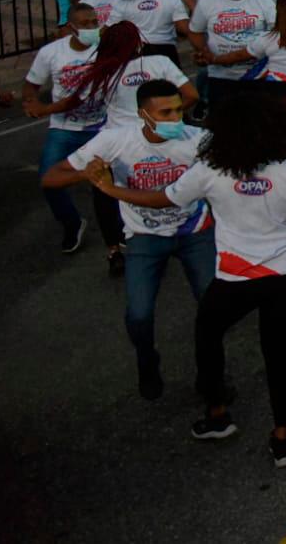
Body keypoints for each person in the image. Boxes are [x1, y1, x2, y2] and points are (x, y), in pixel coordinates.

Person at [88, 90, 286, 468]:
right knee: (277, 350)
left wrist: (108, 188)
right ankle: (283, 436)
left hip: (234, 276)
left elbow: (163, 199)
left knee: (208, 333)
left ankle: (217, 413)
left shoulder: (209, 171)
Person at [42, 80, 211, 399]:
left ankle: (213, 376)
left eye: (179, 110)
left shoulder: (200, 140)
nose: (176, 118)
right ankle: (147, 361)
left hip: (194, 231)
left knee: (212, 309)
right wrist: (88, 173)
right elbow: (51, 177)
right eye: (166, 112)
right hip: (144, 237)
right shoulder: (113, 141)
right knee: (139, 314)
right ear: (142, 115)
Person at [25, 3, 120, 265]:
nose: (92, 28)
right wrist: (31, 103)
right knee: (49, 178)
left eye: (94, 22)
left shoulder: (107, 50)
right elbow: (31, 85)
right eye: (85, 24)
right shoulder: (51, 53)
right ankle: (72, 222)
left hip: (102, 126)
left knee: (112, 180)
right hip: (64, 128)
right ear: (71, 27)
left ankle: (120, 232)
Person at [207, 0, 286, 168]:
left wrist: (213, 59)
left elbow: (239, 55)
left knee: (274, 139)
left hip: (272, 91)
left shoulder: (268, 38)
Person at [188, 0, 277, 109]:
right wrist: (203, 51)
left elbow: (275, 33)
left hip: (256, 74)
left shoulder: (264, 3)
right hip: (220, 76)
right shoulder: (207, 3)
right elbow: (194, 31)